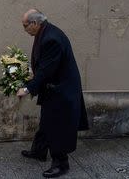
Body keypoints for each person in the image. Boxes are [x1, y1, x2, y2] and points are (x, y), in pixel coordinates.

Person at [17, 9, 89, 178]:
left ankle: (61, 164)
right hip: (54, 87)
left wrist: (27, 89)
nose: (24, 29)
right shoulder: (46, 32)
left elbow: (46, 71)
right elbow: (44, 65)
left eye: (25, 25)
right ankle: (39, 151)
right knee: (47, 121)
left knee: (58, 127)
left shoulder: (51, 39)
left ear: (35, 23)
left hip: (62, 90)